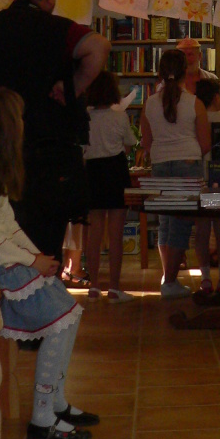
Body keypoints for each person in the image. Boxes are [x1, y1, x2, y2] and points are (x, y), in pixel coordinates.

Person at [0, 88, 98, 439]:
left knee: (69, 313)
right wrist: (31, 261)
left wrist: (38, 257)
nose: (23, 125)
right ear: (1, 127)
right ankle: (42, 418)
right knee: (59, 321)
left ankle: (56, 402)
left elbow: (9, 226)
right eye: (18, 119)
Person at [0, 0, 111, 263]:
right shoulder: (60, 29)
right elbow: (99, 46)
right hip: (47, 152)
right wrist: (74, 86)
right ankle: (41, 287)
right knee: (44, 240)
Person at [140, 49, 211, 298]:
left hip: (160, 164)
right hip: (188, 164)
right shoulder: (194, 103)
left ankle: (167, 276)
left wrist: (162, 153)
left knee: (166, 221)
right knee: (181, 223)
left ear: (160, 73)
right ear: (185, 73)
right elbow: (205, 144)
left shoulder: (149, 104)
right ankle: (169, 282)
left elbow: (146, 142)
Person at [82, 70, 135, 303]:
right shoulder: (119, 116)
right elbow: (129, 145)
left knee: (94, 233)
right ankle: (114, 287)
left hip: (92, 173)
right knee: (116, 234)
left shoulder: (85, 117)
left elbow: (82, 149)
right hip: (115, 171)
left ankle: (93, 285)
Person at [194, 76, 220, 293]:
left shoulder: (194, 119)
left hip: (199, 177)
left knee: (201, 228)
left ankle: (205, 277)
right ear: (216, 97)